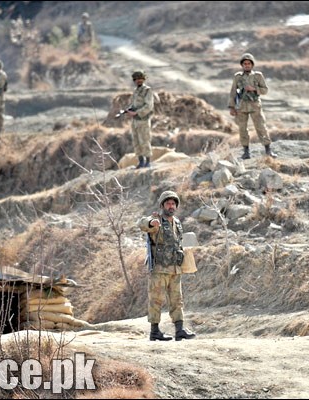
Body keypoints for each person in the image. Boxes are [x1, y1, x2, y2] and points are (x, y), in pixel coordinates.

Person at [138, 191, 196, 341]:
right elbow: (142, 223)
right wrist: (151, 223)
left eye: (173, 204)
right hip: (159, 269)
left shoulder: (176, 222)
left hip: (175, 268)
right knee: (156, 300)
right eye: (168, 203)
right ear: (162, 205)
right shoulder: (156, 219)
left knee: (177, 300)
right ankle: (155, 331)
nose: (171, 206)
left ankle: (179, 330)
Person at [228, 53, 276, 160]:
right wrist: (232, 107)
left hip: (255, 106)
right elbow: (233, 92)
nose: (247, 65)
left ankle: (268, 150)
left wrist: (254, 89)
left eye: (249, 63)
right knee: (242, 129)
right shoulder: (238, 77)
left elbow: (265, 90)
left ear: (252, 65)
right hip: (241, 106)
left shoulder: (258, 76)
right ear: (242, 65)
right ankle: (246, 152)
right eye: (244, 64)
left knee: (261, 127)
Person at [126, 70, 154, 169]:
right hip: (135, 120)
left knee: (145, 140)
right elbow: (134, 105)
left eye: (140, 78)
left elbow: (149, 106)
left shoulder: (147, 90)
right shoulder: (136, 91)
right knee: (136, 141)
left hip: (143, 119)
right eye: (136, 79)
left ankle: (148, 162)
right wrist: (129, 110)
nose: (138, 80)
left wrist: (137, 112)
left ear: (143, 79)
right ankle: (141, 162)